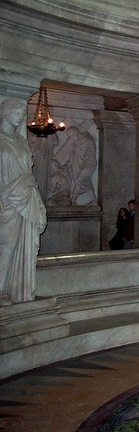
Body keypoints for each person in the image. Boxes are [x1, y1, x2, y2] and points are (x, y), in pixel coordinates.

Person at [0, 98, 47, 303]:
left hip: (26, 195)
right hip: (7, 197)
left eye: (22, 111)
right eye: (17, 111)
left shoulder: (21, 140)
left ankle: (18, 288)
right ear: (6, 112)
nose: (20, 115)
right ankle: (2, 288)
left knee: (20, 244)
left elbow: (27, 170)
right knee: (7, 245)